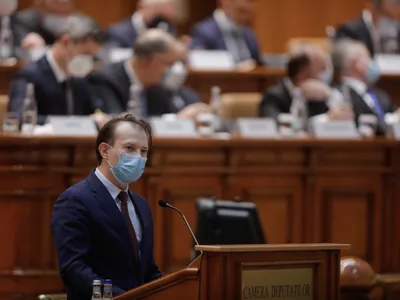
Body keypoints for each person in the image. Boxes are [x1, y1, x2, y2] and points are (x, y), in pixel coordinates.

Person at [52, 114, 161, 299]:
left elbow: (148, 268)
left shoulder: (141, 205)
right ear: (104, 150)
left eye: (144, 151)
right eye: (129, 148)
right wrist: (122, 297)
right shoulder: (74, 200)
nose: (138, 157)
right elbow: (74, 269)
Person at [88, 29, 209, 119]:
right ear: (148, 60)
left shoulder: (157, 87)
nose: (172, 70)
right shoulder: (105, 79)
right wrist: (178, 120)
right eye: (169, 63)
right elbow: (113, 122)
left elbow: (166, 118)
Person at [8, 14, 104, 125]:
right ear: (66, 42)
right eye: (85, 54)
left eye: (92, 57)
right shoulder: (30, 75)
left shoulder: (80, 78)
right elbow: (19, 117)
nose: (88, 62)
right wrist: (64, 124)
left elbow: (96, 110)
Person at [259, 44, 349, 120]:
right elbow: (278, 126)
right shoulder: (273, 97)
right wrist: (325, 119)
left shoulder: (322, 96)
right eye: (322, 69)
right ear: (302, 73)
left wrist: (330, 95)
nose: (325, 75)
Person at [331, 39, 399, 131]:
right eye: (368, 57)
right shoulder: (339, 94)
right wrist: (392, 119)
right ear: (355, 63)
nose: (373, 62)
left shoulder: (381, 95)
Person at [190, 0, 261, 70]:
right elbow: (198, 65)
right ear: (225, 1)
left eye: (252, 1)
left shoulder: (249, 35)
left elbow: (259, 65)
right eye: (242, 10)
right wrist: (235, 69)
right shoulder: (204, 31)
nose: (248, 6)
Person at [335, 0, 400, 56]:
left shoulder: (396, 29)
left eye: (394, 17)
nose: (392, 22)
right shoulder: (349, 31)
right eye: (387, 15)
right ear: (372, 9)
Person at [107, 0, 177, 48]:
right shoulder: (117, 32)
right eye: (155, 9)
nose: (156, 17)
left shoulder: (166, 27)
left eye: (161, 13)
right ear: (141, 7)